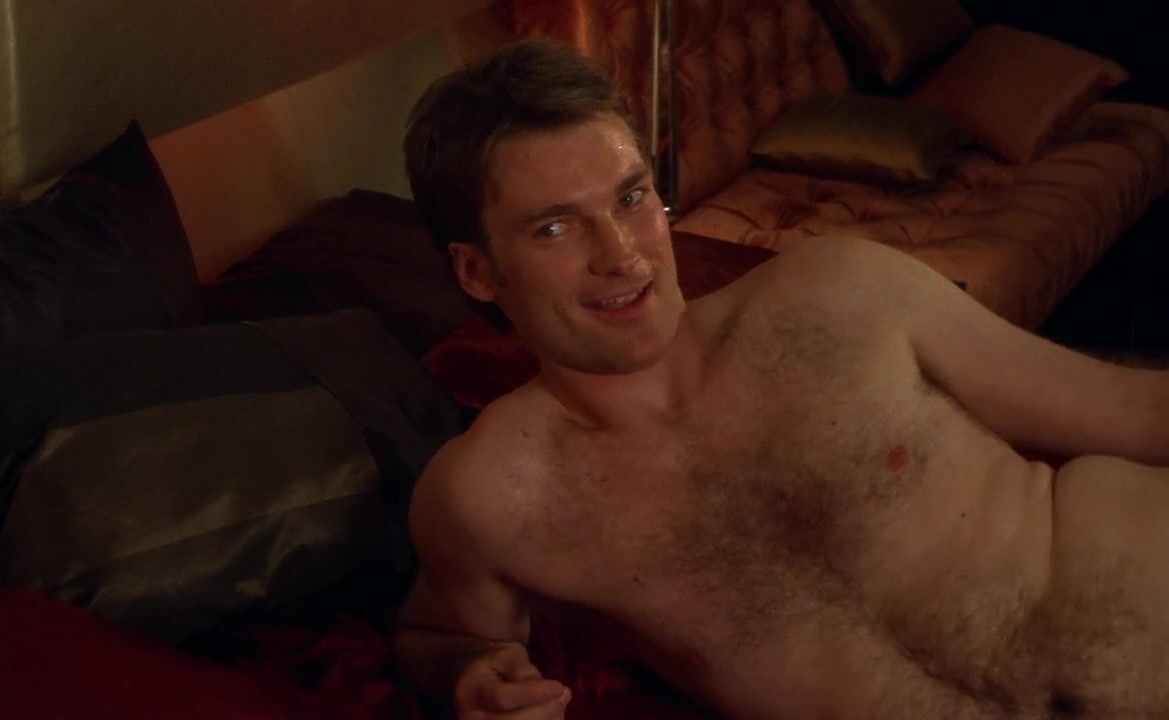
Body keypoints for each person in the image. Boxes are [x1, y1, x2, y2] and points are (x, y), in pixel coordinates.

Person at [393, 39, 1169, 720]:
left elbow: (1139, 412)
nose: (622, 255)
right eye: (557, 227)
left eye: (631, 198)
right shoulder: (491, 497)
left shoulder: (838, 294)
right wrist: (469, 677)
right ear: (477, 271)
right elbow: (443, 636)